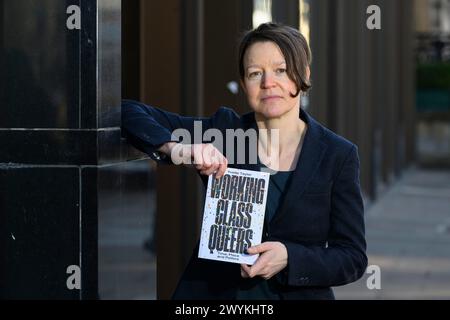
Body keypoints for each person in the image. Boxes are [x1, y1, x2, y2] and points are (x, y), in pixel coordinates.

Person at [121, 22, 367, 300]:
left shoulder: (338, 154)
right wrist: (181, 149)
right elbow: (127, 111)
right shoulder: (224, 134)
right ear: (243, 83)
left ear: (303, 74)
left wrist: (289, 257)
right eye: (254, 73)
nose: (267, 83)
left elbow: (352, 257)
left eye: (280, 70)